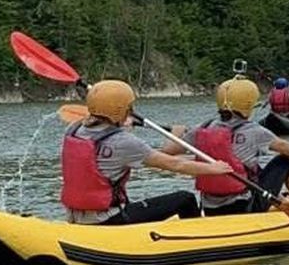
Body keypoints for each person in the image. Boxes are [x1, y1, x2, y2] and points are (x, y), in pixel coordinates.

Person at [60, 79, 231, 226]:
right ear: (121, 110)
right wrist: (215, 168)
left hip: (76, 216)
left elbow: (104, 138)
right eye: (129, 107)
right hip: (109, 219)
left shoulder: (74, 129)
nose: (131, 109)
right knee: (185, 199)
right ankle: (198, 242)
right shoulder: (124, 142)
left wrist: (120, 126)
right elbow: (175, 164)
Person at [191, 76, 289, 217]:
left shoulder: (204, 127)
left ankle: (284, 201)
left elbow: (169, 151)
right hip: (245, 207)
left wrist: (179, 131)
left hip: (210, 210)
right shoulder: (254, 131)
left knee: (253, 168)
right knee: (286, 161)